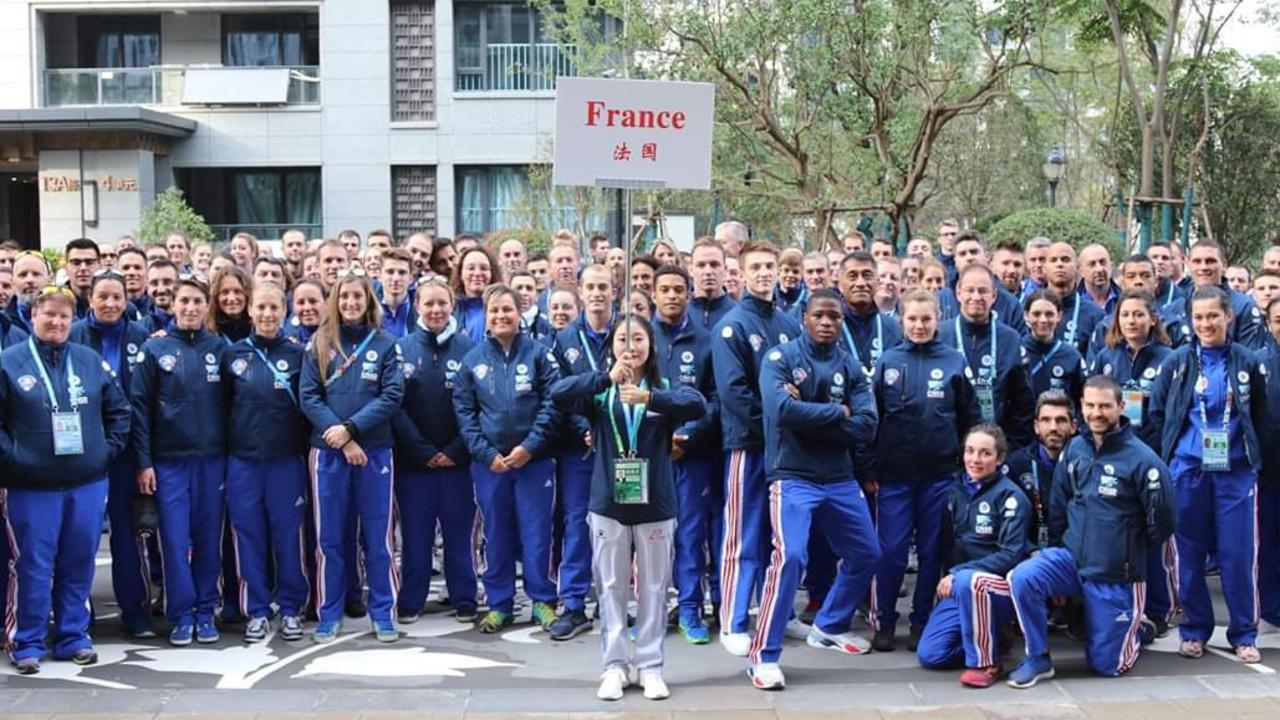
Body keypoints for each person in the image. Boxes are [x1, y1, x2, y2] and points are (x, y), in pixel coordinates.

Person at [552, 313, 705, 701]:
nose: (630, 347)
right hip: (608, 504)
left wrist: (650, 397)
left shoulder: (664, 388)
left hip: (656, 504)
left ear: (651, 347)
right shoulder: (601, 393)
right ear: (612, 347)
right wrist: (605, 378)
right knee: (610, 586)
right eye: (623, 339)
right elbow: (559, 393)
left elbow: (697, 405)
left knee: (654, 587)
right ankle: (614, 665)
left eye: (638, 339)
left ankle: (651, 665)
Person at [747, 289, 880, 691]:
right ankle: (763, 656)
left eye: (834, 317)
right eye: (819, 315)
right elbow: (780, 411)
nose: (827, 322)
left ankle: (829, 624)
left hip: (839, 477)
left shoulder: (850, 366)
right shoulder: (780, 359)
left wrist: (812, 414)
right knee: (791, 557)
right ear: (804, 317)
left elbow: (868, 424)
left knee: (868, 553)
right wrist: (838, 412)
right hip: (792, 476)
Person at [1006, 376, 1175, 686]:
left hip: (1115, 575)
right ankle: (1038, 658)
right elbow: (1059, 506)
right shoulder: (1076, 449)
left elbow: (1162, 524)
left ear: (1121, 407)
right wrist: (1062, 549)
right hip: (1072, 560)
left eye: (1105, 406)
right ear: (1082, 407)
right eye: (1091, 405)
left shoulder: (1143, 460)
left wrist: (1125, 556)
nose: (1097, 412)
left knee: (1108, 667)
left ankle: (1137, 628)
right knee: (1023, 576)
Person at [0, 286, 130, 674]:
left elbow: (119, 412)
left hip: (86, 483)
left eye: (63, 316)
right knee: (32, 565)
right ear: (33, 317)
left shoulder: (89, 361)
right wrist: (13, 458)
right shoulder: (9, 363)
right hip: (30, 486)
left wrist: (103, 453)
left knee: (78, 561)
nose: (56, 322)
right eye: (49, 315)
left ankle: (73, 635)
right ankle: (27, 640)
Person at [1149, 285, 1267, 663]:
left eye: (1213, 316)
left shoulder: (1246, 361)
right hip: (1187, 470)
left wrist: (1253, 463)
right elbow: (1158, 415)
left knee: (1237, 555)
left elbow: (1261, 418)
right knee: (1189, 553)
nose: (1205, 323)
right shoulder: (1178, 362)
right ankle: (1194, 629)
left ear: (1229, 316)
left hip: (1235, 473)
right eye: (1198, 317)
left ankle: (1244, 632)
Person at [867, 289, 981, 652]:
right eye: (912, 319)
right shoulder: (887, 362)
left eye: (926, 319)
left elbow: (971, 418)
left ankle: (920, 620)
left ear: (938, 320)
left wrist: (966, 468)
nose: (919, 325)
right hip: (894, 476)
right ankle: (884, 620)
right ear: (901, 320)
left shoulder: (953, 361)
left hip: (940, 476)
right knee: (891, 551)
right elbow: (873, 420)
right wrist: (869, 468)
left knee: (933, 551)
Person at [299, 269, 404, 643]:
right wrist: (341, 439)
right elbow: (308, 396)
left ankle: (383, 613)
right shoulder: (320, 342)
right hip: (327, 453)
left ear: (368, 301)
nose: (351, 303)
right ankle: (330, 613)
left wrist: (353, 430)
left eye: (358, 296)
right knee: (329, 538)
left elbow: (392, 396)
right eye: (344, 297)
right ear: (335, 301)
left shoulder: (386, 344)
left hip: (375, 452)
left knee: (378, 538)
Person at [452, 284, 562, 634]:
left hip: (534, 461)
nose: (501, 316)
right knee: (495, 533)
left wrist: (530, 446)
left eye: (507, 310)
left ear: (519, 313)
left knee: (537, 533)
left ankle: (542, 600)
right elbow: (465, 415)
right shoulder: (472, 361)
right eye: (494, 310)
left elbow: (553, 404)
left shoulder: (540, 354)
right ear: (486, 317)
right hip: (491, 466)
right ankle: (499, 603)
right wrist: (487, 455)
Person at [711, 241, 802, 656]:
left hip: (786, 450)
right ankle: (733, 619)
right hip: (748, 445)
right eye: (758, 267)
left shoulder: (787, 323)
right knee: (743, 535)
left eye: (772, 265)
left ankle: (780, 613)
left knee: (781, 537)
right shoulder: (731, 325)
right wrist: (773, 428)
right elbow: (734, 393)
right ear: (742, 273)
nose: (766, 273)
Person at [132, 274, 231, 646]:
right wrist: (144, 462)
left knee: (208, 539)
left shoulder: (220, 349)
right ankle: (182, 613)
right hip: (169, 462)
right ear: (172, 305)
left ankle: (207, 611)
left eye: (197, 302)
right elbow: (139, 409)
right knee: (174, 541)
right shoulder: (154, 350)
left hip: (212, 460)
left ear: (207, 307)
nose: (190, 308)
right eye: (184, 301)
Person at [222, 282, 309, 643]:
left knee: (289, 537)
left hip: (286, 462)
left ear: (284, 311)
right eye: (261, 307)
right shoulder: (234, 355)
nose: (267, 314)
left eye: (274, 308)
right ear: (250, 311)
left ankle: (291, 608)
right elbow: (224, 408)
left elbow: (307, 408)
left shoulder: (298, 354)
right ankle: (256, 609)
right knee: (248, 537)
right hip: (243, 462)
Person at [68, 271, 152, 638]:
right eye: (102, 296)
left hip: (126, 454)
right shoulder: (72, 336)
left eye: (117, 297)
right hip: (81, 455)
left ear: (126, 300)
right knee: (80, 537)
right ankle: (77, 617)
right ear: (90, 299)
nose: (110, 304)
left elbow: (146, 403)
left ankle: (135, 612)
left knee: (127, 536)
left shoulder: (142, 336)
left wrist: (144, 459)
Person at [916, 425, 1031, 688]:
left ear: (1000, 458)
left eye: (985, 453)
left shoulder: (1011, 496)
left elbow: (1012, 553)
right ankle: (995, 638)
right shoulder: (954, 490)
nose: (975, 460)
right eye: (970, 451)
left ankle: (986, 660)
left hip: (994, 589)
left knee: (969, 580)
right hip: (959, 588)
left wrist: (958, 574)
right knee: (931, 655)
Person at [391, 279, 478, 624]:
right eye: (429, 304)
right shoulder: (400, 349)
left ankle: (465, 598)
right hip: (416, 463)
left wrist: (455, 449)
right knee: (415, 536)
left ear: (451, 307)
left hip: (458, 461)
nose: (436, 310)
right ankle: (412, 599)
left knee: (459, 535)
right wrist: (422, 449)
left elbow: (475, 406)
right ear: (417, 307)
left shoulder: (470, 348)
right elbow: (394, 405)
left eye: (442, 303)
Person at [548, 264, 617, 640]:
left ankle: (615, 602)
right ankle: (573, 604)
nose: (596, 293)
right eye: (590, 287)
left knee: (620, 527)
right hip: (580, 450)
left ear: (614, 290)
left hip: (624, 447)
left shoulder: (626, 333)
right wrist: (583, 428)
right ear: (580, 291)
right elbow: (560, 392)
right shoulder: (563, 339)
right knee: (577, 524)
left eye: (603, 287)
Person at [651, 265, 719, 644]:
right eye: (666, 289)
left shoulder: (706, 341)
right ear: (655, 295)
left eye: (679, 289)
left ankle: (691, 609)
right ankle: (653, 610)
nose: (673, 295)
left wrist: (686, 436)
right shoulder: (638, 336)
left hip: (691, 457)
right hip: (647, 457)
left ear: (689, 293)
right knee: (650, 538)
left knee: (691, 535)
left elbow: (715, 401)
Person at [938, 265, 1034, 449]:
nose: (976, 297)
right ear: (958, 293)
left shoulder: (1011, 339)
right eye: (970, 290)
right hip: (948, 449)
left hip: (996, 449)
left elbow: (1023, 403)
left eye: (983, 291)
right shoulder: (941, 335)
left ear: (994, 296)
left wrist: (1010, 448)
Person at [1004, 391, 1077, 551]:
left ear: (1073, 427)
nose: (1053, 427)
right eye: (1046, 420)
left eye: (1061, 420)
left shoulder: (1084, 465)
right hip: (1028, 555)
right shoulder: (1016, 465)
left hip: (1074, 555)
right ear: (1036, 427)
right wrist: (1029, 550)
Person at [1042, 242, 1106, 357]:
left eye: (1065, 259)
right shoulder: (1029, 308)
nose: (1059, 264)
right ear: (1044, 268)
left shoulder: (1095, 314)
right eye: (1053, 260)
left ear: (1077, 268)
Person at [1021, 291, 1086, 403]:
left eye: (1049, 314)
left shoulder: (1071, 356)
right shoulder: (1015, 351)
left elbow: (1082, 399)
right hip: (1022, 419)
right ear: (1026, 316)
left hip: (1058, 419)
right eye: (1036, 314)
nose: (1043, 320)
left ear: (1059, 316)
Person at [451, 245, 497, 345]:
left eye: (484, 268)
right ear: (460, 274)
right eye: (471, 268)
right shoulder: (450, 309)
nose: (477, 273)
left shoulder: (502, 309)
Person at [688, 239, 736, 332]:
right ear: (691, 270)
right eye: (701, 265)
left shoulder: (738, 315)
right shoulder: (678, 315)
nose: (708, 271)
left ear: (725, 269)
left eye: (714, 265)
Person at [208, 266, 254, 343]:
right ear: (216, 296)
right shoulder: (207, 333)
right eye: (225, 292)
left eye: (237, 291)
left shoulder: (258, 331)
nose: (231, 298)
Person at [378, 248, 415, 338]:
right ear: (380, 276)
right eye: (390, 272)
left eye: (402, 273)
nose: (396, 278)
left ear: (411, 278)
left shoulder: (420, 307)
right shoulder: (369, 306)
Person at [64, 238, 101, 320]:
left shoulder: (112, 303)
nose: (83, 268)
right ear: (65, 267)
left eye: (89, 262)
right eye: (76, 263)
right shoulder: (56, 303)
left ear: (100, 265)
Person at [286, 279, 326, 343]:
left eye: (313, 301)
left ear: (326, 303)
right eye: (301, 303)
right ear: (293, 306)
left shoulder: (339, 339)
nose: (307, 308)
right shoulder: (288, 340)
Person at [144, 259, 179, 332]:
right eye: (154, 283)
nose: (161, 290)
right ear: (147, 287)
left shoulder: (195, 325)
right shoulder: (140, 330)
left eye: (167, 282)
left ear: (178, 285)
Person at [774, 249, 807, 314]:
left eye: (795, 272)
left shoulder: (806, 297)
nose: (790, 275)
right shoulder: (770, 295)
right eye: (786, 270)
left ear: (802, 273)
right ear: (779, 270)